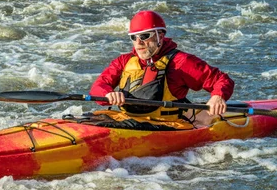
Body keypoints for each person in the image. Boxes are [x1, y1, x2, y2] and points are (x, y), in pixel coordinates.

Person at [89, 10, 234, 129]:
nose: (138, 43)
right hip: (126, 120)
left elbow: (221, 79)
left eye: (145, 36)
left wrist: (218, 96)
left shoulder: (181, 62)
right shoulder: (124, 61)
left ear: (160, 35)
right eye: (133, 37)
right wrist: (107, 94)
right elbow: (98, 87)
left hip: (166, 125)